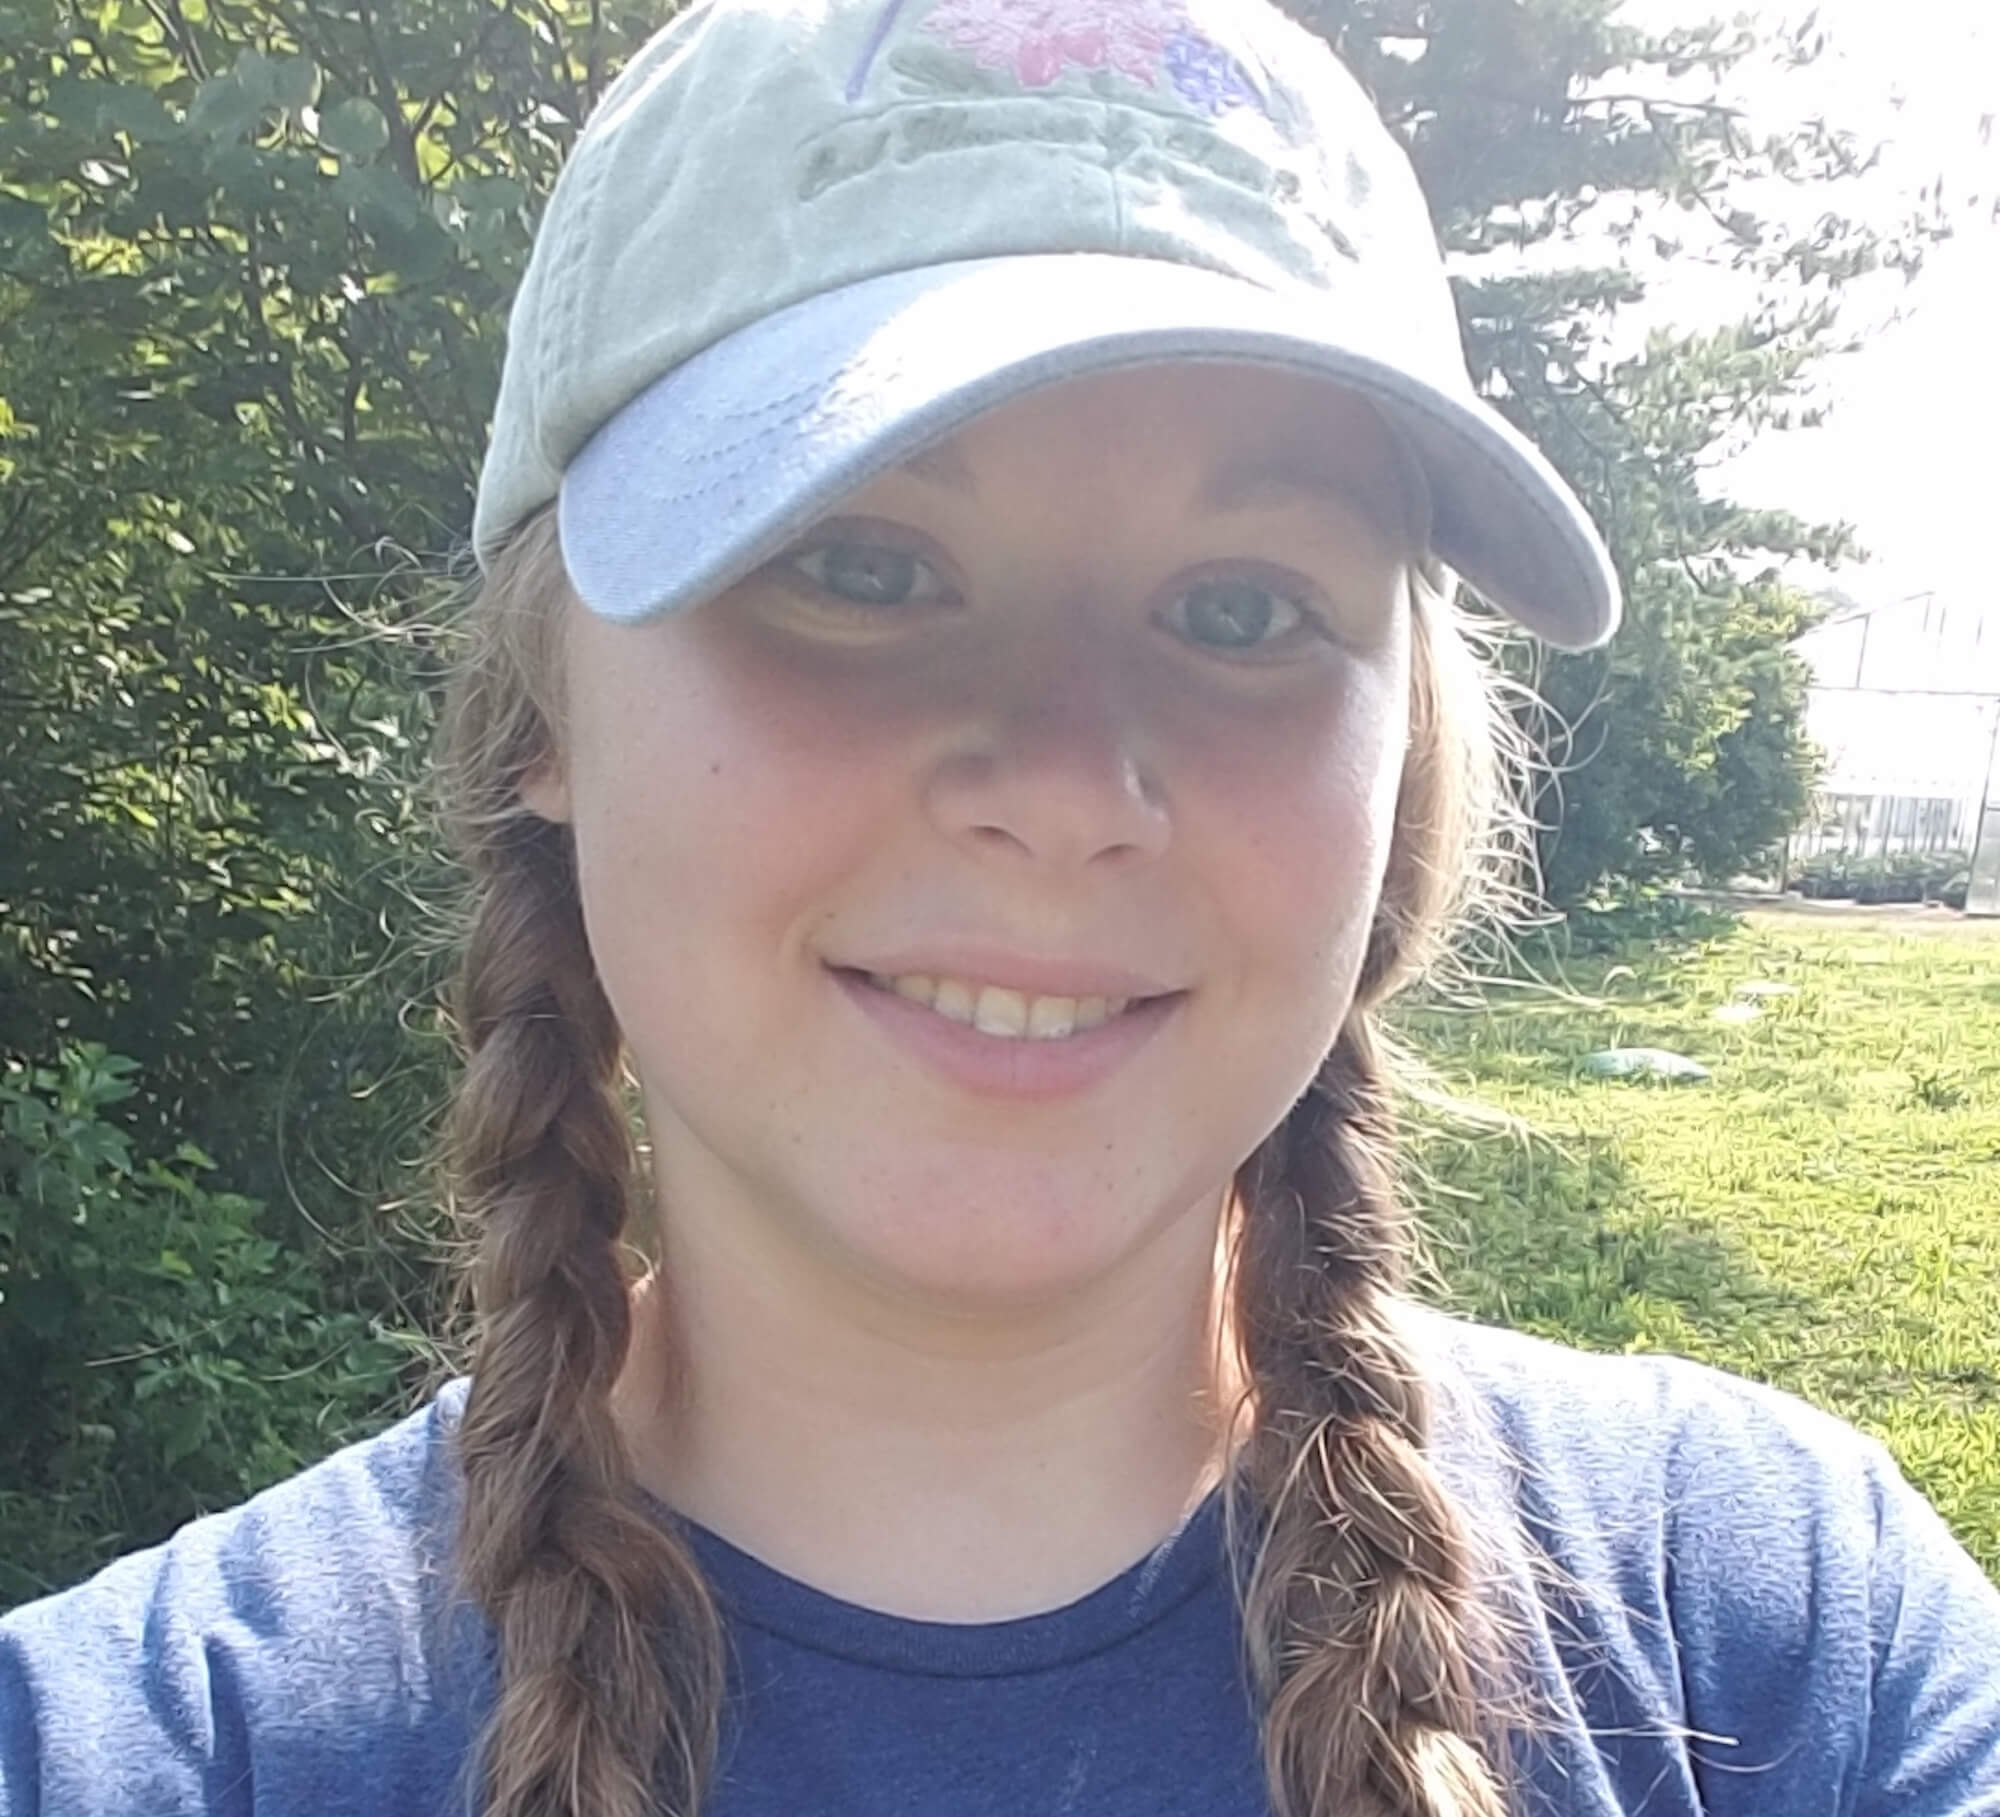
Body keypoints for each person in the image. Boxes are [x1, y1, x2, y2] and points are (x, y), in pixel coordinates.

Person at [4, 0, 1998, 1813]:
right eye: (860, 569)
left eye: (1240, 613)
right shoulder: (148, 1748)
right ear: (546, 708)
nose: (1064, 787)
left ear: (1395, 782)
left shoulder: (1775, 1648)